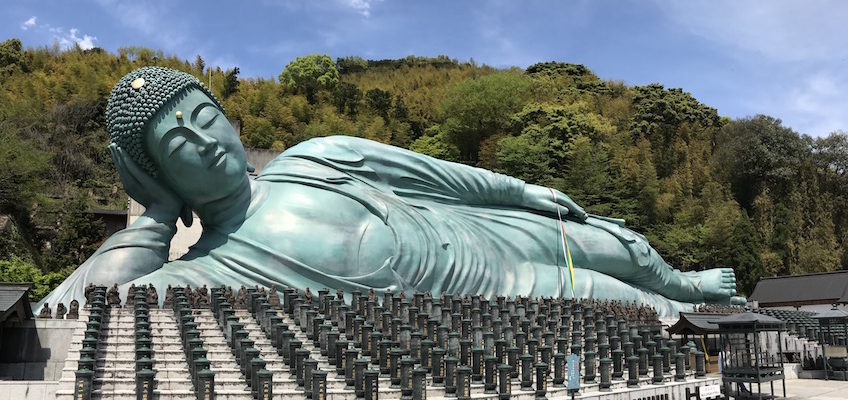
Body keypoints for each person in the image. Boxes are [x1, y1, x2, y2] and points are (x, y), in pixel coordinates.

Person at [38, 67, 742, 317]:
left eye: (204, 117)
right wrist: (155, 217)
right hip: (492, 291)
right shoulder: (209, 264)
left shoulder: (313, 157)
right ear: (156, 173)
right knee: (629, 304)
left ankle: (688, 280)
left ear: (227, 115)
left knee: (614, 244)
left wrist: (526, 190)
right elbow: (90, 305)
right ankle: (682, 301)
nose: (204, 141)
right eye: (175, 146)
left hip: (475, 230)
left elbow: (441, 176)